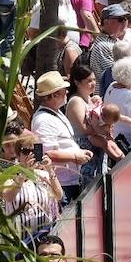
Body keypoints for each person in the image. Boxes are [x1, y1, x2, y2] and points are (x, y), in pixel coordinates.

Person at [31, 72, 94, 202]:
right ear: (54, 95)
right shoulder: (43, 121)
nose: (67, 92)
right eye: (63, 90)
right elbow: (46, 154)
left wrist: (78, 153)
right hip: (62, 184)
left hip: (69, 181)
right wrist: (75, 157)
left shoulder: (55, 113)